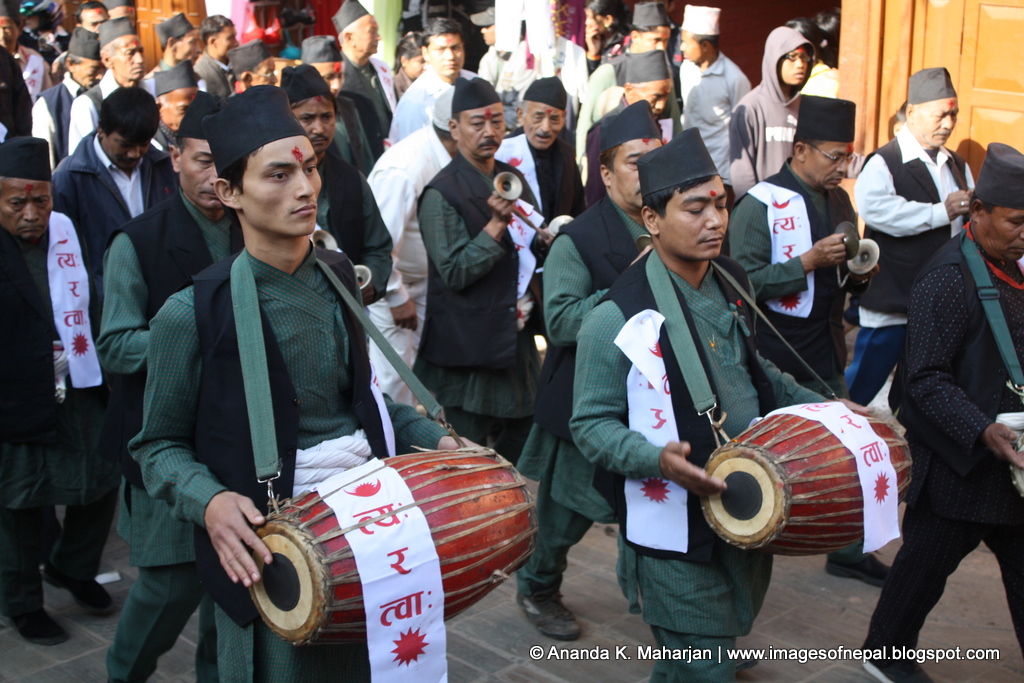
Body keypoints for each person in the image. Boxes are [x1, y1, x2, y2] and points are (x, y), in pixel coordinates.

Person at [129, 85, 463, 679]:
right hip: (275, 556)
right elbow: (157, 447)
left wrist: (433, 439)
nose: (306, 189)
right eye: (278, 175)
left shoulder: (336, 277)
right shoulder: (191, 313)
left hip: (367, 540)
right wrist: (208, 501)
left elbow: (364, 405)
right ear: (229, 192)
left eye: (307, 168)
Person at [571, 127, 834, 681]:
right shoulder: (613, 319)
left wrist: (833, 411)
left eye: (720, 203)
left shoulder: (732, 281)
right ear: (651, 220)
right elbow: (590, 426)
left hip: (740, 503)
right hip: (670, 523)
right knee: (703, 665)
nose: (715, 220)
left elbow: (767, 378)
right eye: (695, 209)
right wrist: (656, 458)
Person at [861, 143, 1024, 683]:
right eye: (1017, 222)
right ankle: (885, 656)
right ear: (976, 212)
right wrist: (982, 429)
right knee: (921, 572)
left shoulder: (1012, 265)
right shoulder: (948, 278)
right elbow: (924, 379)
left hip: (1012, 465)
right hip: (961, 467)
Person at [730, 95, 893, 587]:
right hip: (771, 353)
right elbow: (739, 284)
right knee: (764, 450)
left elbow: (841, 271)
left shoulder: (838, 199)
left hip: (825, 344)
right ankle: (747, 533)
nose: (843, 168)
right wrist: (804, 264)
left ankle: (844, 546)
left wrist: (859, 275)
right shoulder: (760, 203)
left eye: (849, 157)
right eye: (834, 156)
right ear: (800, 149)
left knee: (839, 448)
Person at [516, 100, 662, 641]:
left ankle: (683, 622)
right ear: (605, 172)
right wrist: (628, 288)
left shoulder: (671, 222)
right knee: (564, 516)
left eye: (656, 159)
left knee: (656, 516)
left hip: (652, 402)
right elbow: (560, 322)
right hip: (586, 403)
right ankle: (537, 585)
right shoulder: (578, 239)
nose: (647, 174)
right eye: (633, 163)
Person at [98, 92, 227, 683]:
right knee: (168, 586)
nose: (215, 176)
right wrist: (197, 339)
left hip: (237, 442)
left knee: (233, 599)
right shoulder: (138, 241)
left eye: (225, 162)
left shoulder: (258, 230)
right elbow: (117, 346)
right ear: (173, 157)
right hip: (165, 440)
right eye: (202, 160)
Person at [0, 137, 120, 646]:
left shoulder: (65, 233)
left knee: (102, 476)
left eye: (41, 201)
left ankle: (72, 566)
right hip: (14, 395)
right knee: (21, 503)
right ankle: (23, 601)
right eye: (16, 203)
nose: (32, 214)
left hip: (77, 382)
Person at [415, 77, 545, 464]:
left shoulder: (510, 175)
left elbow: (531, 239)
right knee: (466, 453)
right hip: (468, 343)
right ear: (454, 128)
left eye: (496, 121)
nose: (489, 132)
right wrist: (495, 225)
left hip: (512, 330)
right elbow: (454, 272)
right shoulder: (442, 192)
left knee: (527, 432)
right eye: (476, 123)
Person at [846, 67, 974, 407]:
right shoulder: (884, 161)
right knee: (861, 386)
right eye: (940, 115)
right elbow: (876, 210)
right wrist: (939, 212)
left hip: (938, 304)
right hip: (894, 300)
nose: (948, 124)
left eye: (953, 115)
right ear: (913, 112)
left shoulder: (956, 164)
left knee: (921, 389)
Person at [366, 88, 457, 406]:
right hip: (392, 286)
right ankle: (393, 451)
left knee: (424, 375)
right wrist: (395, 295)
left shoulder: (455, 156)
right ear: (457, 130)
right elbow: (378, 243)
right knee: (393, 378)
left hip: (429, 284)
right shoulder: (406, 168)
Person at [281, 64, 392, 304]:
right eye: (307, 118)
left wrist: (371, 282)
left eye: (327, 117)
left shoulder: (351, 178)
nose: (319, 128)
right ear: (287, 119)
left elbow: (378, 248)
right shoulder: (271, 179)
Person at [53, 86, 177, 291]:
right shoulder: (69, 178)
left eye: (143, 145)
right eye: (124, 145)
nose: (134, 154)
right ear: (101, 129)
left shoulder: (165, 168)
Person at [575, 2, 676, 160]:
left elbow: (673, 122)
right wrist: (582, 164)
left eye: (666, 41)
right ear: (635, 36)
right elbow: (585, 126)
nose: (662, 48)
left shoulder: (665, 75)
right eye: (655, 40)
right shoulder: (609, 71)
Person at [678, 4, 749, 208]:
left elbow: (741, 130)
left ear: (706, 46)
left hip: (719, 172)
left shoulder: (734, 79)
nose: (681, 48)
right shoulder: (686, 69)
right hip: (688, 164)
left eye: (686, 42)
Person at [729, 25, 812, 200]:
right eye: (792, 57)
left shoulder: (806, 107)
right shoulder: (750, 108)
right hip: (763, 207)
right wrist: (755, 208)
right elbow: (742, 174)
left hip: (799, 208)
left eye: (804, 57)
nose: (800, 64)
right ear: (775, 59)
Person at [583, 50, 672, 205]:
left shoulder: (658, 120)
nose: (661, 105)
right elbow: (595, 192)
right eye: (656, 97)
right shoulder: (605, 129)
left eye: (666, 97)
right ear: (629, 90)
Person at [496, 77, 585, 221]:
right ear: (521, 115)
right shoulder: (503, 152)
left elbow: (578, 207)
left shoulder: (566, 153)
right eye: (538, 117)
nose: (546, 128)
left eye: (554, 119)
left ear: (564, 118)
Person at [66, 17, 145, 156]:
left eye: (141, 51)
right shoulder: (87, 104)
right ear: (107, 60)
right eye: (130, 53)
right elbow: (82, 158)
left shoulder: (154, 91)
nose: (139, 59)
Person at [390, 17, 474, 143]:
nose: (450, 56)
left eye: (455, 48)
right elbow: (413, 152)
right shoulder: (415, 102)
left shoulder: (476, 83)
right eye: (440, 49)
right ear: (426, 53)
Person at [299, 35, 374, 173]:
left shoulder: (347, 106)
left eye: (340, 76)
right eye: (328, 77)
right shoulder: (293, 112)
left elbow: (365, 156)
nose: (337, 85)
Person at [32, 27, 104, 169]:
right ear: (71, 64)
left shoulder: (107, 94)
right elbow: (46, 160)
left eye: (103, 68)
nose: (100, 76)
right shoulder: (49, 104)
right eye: (94, 69)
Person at [334, 0, 395, 160]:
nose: (379, 37)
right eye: (372, 31)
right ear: (349, 37)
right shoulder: (336, 77)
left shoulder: (380, 69)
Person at [0, 0, 52, 101]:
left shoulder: (34, 59)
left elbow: (47, 95)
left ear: (19, 28)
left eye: (7, 28)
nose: (2, 35)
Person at [151, 60, 198, 152]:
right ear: (160, 108)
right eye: (183, 110)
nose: (192, 116)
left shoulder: (201, 135)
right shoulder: (151, 143)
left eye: (196, 109)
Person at [194, 15, 236, 105]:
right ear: (213, 41)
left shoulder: (238, 63)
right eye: (230, 38)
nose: (236, 42)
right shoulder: (199, 74)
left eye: (235, 36)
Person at [584, 0, 628, 73]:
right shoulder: (599, 41)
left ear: (608, 20)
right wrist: (593, 54)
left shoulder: (625, 45)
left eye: (590, 17)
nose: (586, 22)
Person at [393, 31, 424, 100]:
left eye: (429, 61)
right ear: (404, 61)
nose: (427, 66)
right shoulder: (393, 87)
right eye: (422, 61)